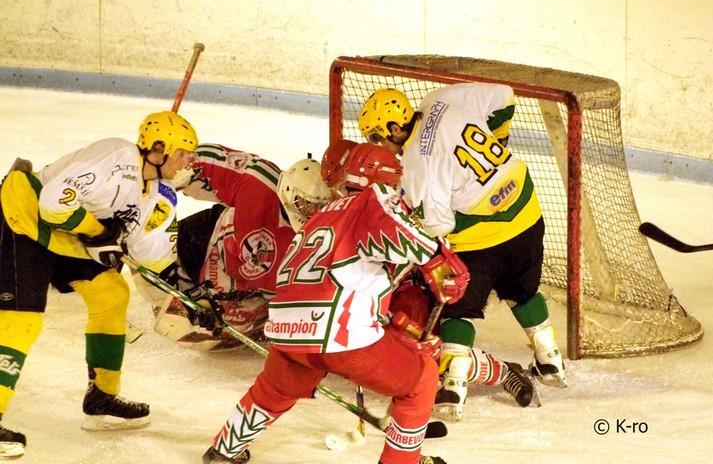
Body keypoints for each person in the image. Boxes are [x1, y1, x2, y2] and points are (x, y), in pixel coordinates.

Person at [202, 143, 469, 464]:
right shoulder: (375, 200)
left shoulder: (320, 215)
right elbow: (403, 233)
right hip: (337, 333)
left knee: (273, 391)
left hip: (287, 329)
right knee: (422, 378)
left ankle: (224, 450)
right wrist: (440, 260)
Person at [357, 84, 566, 421]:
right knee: (521, 290)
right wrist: (498, 140)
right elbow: (503, 96)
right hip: (527, 208)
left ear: (395, 129)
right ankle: (550, 359)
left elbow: (438, 225)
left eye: (377, 137)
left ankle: (453, 387)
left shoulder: (417, 162)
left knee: (456, 308)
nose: (379, 145)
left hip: (484, 239)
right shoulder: (439, 100)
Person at [0, 110, 197, 457]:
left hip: (64, 237)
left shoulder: (153, 193)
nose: (187, 162)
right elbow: (52, 203)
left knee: (112, 294)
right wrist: (97, 231)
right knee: (21, 321)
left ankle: (101, 398)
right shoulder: (116, 156)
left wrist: (191, 295)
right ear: (158, 149)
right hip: (24, 218)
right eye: (182, 154)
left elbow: (145, 254)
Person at [133, 144, 332, 351]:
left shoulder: (321, 232)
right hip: (203, 240)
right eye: (305, 204)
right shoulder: (260, 182)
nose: (311, 213)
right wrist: (152, 178)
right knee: (150, 279)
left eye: (319, 207)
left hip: (242, 287)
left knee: (214, 326)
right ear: (289, 190)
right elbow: (199, 160)